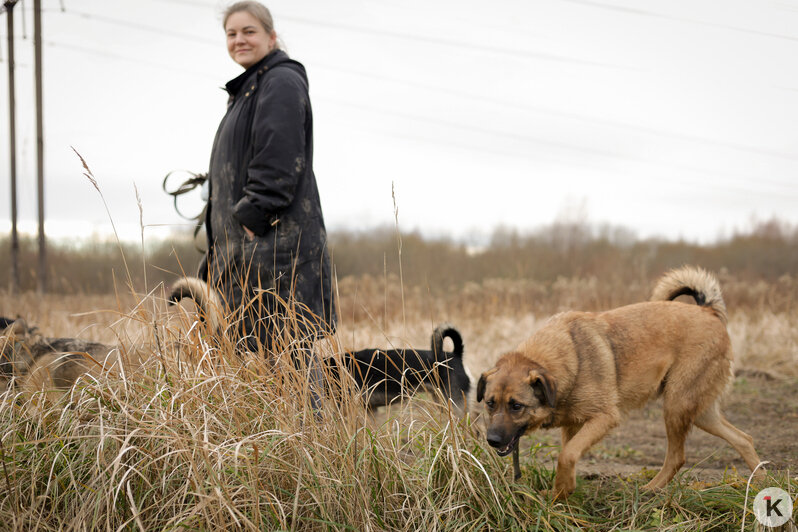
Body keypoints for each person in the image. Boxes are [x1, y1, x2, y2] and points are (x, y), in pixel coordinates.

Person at [202, 1, 336, 365]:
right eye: (231, 34)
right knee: (265, 362)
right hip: (254, 253)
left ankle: (310, 425)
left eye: (249, 31)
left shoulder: (279, 81)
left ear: (271, 36)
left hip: (273, 252)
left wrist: (250, 219)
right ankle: (282, 424)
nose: (239, 40)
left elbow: (280, 160)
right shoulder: (252, 87)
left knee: (290, 360)